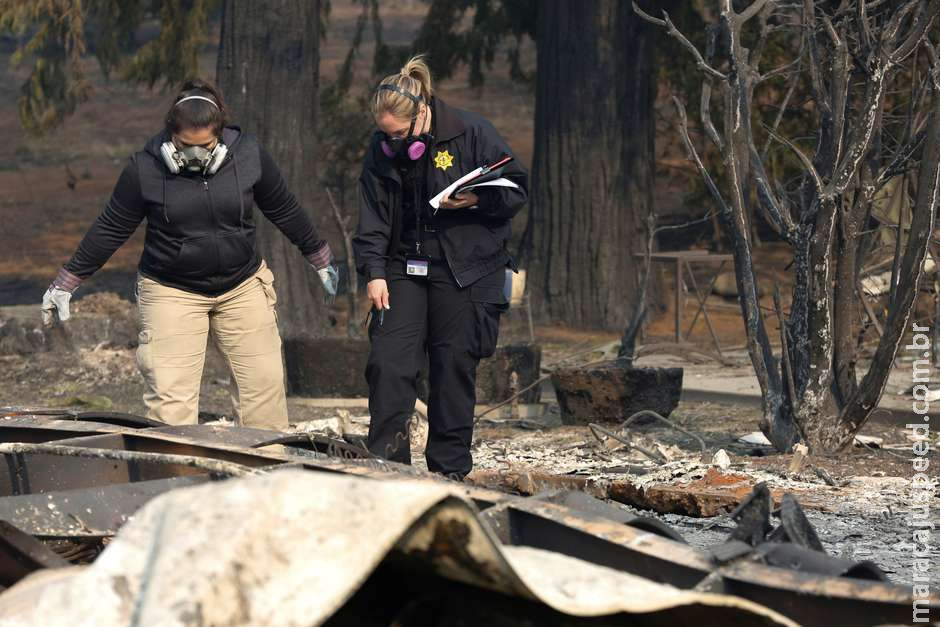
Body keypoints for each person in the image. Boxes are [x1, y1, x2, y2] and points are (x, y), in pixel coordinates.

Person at [40, 78, 338, 431]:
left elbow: (284, 208)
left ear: (221, 135)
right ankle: (173, 476)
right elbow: (111, 227)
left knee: (264, 394)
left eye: (206, 145)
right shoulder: (145, 169)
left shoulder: (248, 155)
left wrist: (318, 256)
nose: (196, 156)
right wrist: (67, 281)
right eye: (186, 146)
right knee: (171, 406)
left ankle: (260, 478)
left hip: (241, 285)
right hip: (171, 290)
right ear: (170, 135)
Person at [354, 55, 528, 479]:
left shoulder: (471, 132)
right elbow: (373, 216)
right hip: (402, 266)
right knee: (389, 363)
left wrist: (478, 198)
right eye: (385, 135)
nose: (392, 143)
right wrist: (374, 272)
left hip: (465, 268)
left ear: (422, 114)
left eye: (398, 134)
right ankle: (387, 468)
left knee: (453, 368)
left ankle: (449, 472)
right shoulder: (381, 151)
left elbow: (515, 190)